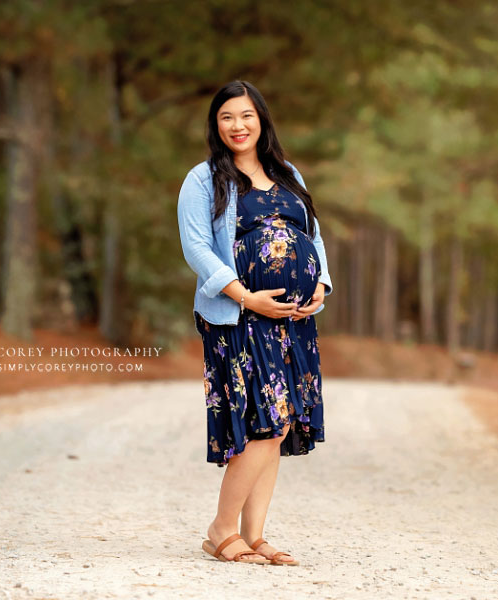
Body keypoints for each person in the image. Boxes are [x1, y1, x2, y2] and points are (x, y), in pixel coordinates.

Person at [176, 80, 334, 566]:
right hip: (240, 318)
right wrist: (246, 297)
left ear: (260, 118)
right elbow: (197, 248)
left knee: (280, 427)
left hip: (294, 322)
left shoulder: (288, 174)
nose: (237, 126)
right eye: (226, 117)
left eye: (245, 115)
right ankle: (221, 529)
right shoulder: (203, 180)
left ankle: (255, 533)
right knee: (266, 424)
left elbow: (315, 236)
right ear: (215, 125)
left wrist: (321, 287)